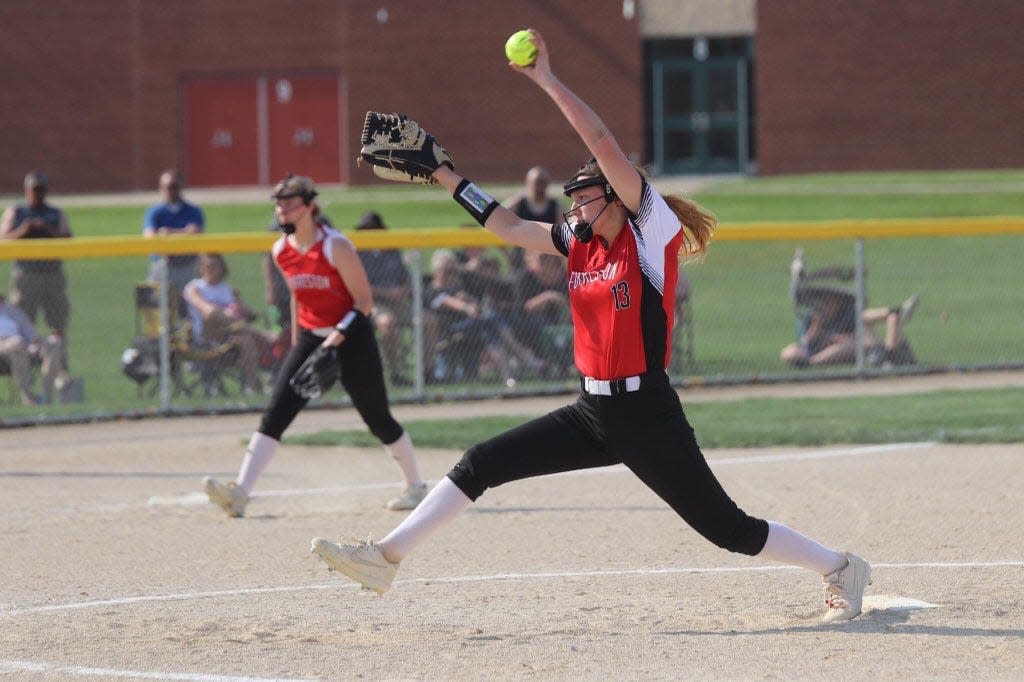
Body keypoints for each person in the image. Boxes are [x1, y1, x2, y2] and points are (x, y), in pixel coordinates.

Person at [310, 30, 872, 624]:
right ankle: (385, 557)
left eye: (585, 198)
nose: (573, 209)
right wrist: (449, 177)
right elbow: (507, 227)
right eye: (572, 200)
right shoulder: (579, 244)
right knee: (480, 463)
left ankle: (840, 567)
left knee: (727, 529)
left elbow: (601, 142)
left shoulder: (649, 236)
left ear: (618, 197)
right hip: (591, 412)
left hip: (647, 414)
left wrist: (546, 80)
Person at [203, 175, 427, 517]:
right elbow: (298, 298)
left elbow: (364, 303)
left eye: (291, 204)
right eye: (279, 205)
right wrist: (296, 343)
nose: (283, 211)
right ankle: (241, 492)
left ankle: (415, 487)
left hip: (352, 337)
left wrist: (336, 340)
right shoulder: (281, 251)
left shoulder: (336, 246)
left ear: (310, 207)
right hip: (311, 336)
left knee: (376, 416)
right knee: (277, 411)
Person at [0, 171, 73, 363]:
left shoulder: (55, 214)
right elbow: (3, 239)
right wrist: (24, 230)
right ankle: (23, 370)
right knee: (22, 323)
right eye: (34, 189)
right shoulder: (16, 212)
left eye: (41, 189)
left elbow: (69, 240)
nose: (37, 193)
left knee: (58, 325)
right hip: (26, 274)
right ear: (26, 190)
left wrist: (48, 230)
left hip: (52, 274)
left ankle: (59, 369)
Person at [182, 254, 276, 395]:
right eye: (207, 266)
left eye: (214, 266)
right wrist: (227, 314)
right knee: (213, 314)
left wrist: (241, 306)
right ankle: (262, 334)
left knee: (246, 341)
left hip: (231, 335)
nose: (210, 269)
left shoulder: (228, 290)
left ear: (222, 268)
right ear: (201, 268)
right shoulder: (194, 287)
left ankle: (253, 387)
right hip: (206, 335)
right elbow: (205, 309)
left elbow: (248, 312)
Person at [353, 211, 413, 386]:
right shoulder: (357, 254)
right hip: (372, 303)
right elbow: (359, 286)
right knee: (387, 322)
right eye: (365, 230)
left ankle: (427, 373)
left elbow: (405, 276)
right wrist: (388, 293)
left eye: (373, 229)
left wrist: (405, 289)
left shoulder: (391, 250)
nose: (369, 233)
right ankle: (396, 373)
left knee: (428, 321)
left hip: (397, 301)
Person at [143, 170, 205, 303]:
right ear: (161, 189)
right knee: (155, 306)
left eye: (174, 186)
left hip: (187, 264)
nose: (170, 191)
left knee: (189, 306)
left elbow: (197, 233)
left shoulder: (193, 210)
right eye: (166, 187)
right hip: (163, 263)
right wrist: (184, 232)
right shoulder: (155, 212)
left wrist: (167, 233)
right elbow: (150, 237)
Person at [0, 294, 64, 405]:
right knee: (16, 345)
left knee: (54, 344)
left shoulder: (12, 311)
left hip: (22, 347)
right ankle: (29, 398)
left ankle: (46, 398)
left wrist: (37, 343)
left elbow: (31, 335)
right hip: (6, 351)